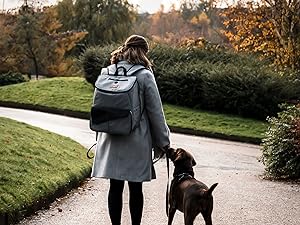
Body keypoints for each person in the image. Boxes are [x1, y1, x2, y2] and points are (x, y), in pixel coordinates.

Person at [91, 34, 170, 225]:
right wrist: (164, 142)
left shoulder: (108, 71)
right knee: (136, 189)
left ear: (125, 49)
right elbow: (155, 113)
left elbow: (99, 106)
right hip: (136, 139)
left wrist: (99, 136)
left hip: (110, 138)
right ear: (143, 52)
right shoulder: (144, 75)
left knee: (115, 187)